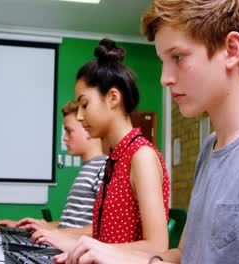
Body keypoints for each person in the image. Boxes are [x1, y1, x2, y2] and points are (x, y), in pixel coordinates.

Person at [60, 0, 239, 263]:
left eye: (178, 57)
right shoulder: (210, 149)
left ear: (231, 50)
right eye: (163, 61)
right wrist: (116, 255)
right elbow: (185, 255)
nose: (165, 78)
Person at [30, 39, 171, 261]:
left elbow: (157, 246)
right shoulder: (113, 159)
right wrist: (68, 242)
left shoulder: (141, 156)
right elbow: (107, 239)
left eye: (84, 104)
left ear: (113, 98)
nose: (79, 116)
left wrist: (84, 246)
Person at [0, 100, 107, 234]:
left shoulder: (103, 168)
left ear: (87, 129)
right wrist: (26, 227)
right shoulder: (89, 168)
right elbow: (71, 225)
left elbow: (103, 230)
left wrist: (53, 233)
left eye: (69, 131)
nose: (64, 138)